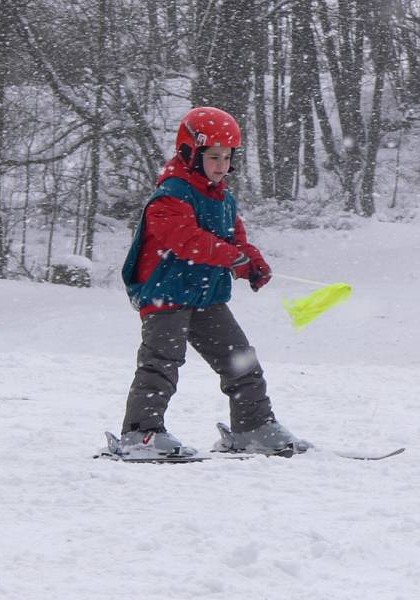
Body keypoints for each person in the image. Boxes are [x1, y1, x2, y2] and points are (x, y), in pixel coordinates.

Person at [117, 107, 310, 457]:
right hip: (167, 294)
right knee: (163, 362)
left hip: (206, 296)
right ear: (190, 153)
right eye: (214, 157)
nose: (222, 165)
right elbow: (186, 239)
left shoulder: (223, 198)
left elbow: (234, 239)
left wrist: (252, 263)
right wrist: (230, 257)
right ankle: (140, 435)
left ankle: (253, 427)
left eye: (227, 157)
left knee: (241, 360)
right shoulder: (171, 195)